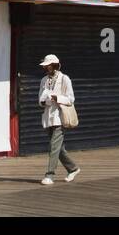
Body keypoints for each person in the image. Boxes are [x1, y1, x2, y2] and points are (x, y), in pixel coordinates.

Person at [38, 54, 80, 185]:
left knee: (53, 147)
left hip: (59, 117)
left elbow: (71, 99)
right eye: (45, 65)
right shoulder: (44, 80)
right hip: (48, 117)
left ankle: (49, 175)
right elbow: (40, 98)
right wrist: (43, 102)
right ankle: (73, 168)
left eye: (48, 65)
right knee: (58, 148)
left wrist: (57, 98)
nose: (46, 67)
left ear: (55, 65)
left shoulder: (64, 79)